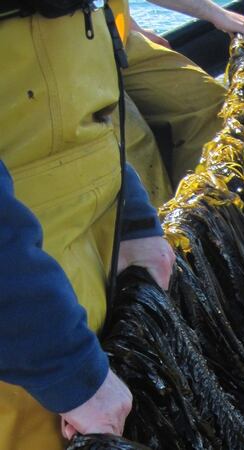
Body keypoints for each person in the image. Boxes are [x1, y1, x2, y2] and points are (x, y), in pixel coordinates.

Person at [0, 2, 175, 448]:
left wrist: (131, 216)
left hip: (80, 278)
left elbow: (80, 107)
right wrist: (65, 365)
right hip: (23, 336)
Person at [111, 0, 244, 206]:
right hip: (58, 58)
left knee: (212, 105)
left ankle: (210, 211)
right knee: (130, 143)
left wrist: (130, 25)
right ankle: (161, 230)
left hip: (105, 33)